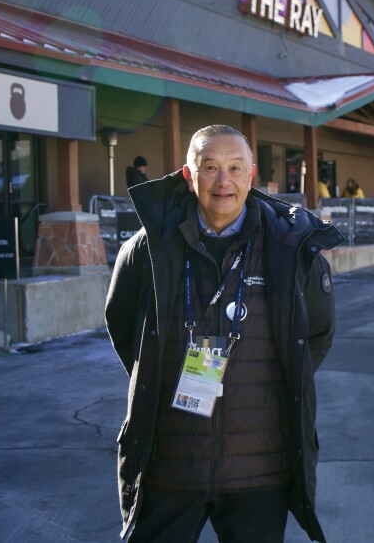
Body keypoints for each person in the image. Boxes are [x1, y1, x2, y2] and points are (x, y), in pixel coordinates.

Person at [106, 124, 342, 542]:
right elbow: (124, 325)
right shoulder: (148, 249)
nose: (223, 181)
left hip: (260, 467)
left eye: (235, 168)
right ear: (187, 175)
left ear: (251, 176)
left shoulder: (290, 248)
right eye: (209, 167)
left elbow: (316, 335)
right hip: (170, 464)